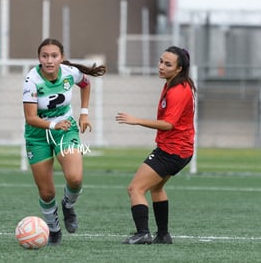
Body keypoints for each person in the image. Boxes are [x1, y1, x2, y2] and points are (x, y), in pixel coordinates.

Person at [22, 38, 106, 245]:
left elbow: (86, 84)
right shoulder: (31, 80)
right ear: (39, 58)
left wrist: (84, 113)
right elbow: (31, 117)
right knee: (47, 191)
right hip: (38, 135)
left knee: (75, 178)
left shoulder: (70, 73)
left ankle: (68, 205)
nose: (49, 60)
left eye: (54, 56)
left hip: (65, 131)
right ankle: (54, 229)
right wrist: (52, 126)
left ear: (61, 58)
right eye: (45, 56)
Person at [115, 46, 196, 244]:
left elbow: (168, 124)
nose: (161, 66)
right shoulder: (175, 83)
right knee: (157, 188)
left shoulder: (178, 90)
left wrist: (136, 120)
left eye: (167, 64)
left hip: (172, 151)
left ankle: (142, 233)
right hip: (179, 150)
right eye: (161, 61)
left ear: (179, 69)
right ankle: (163, 235)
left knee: (135, 189)